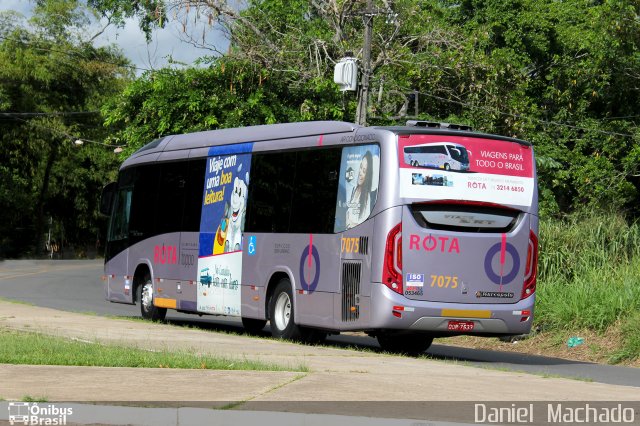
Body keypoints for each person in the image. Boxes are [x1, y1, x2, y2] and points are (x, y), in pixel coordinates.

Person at [346, 151, 373, 229]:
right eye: (361, 167)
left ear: (367, 176)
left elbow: (365, 226)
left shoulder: (367, 198)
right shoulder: (353, 189)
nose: (360, 172)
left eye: (364, 171)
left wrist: (350, 224)